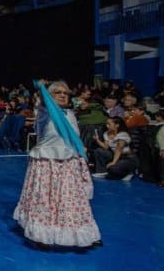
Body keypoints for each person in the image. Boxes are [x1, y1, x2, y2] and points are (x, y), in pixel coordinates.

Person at [14, 81, 101, 248]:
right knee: (46, 200)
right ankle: (43, 235)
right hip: (47, 163)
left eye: (65, 93)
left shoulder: (69, 114)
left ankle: (83, 234)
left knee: (72, 200)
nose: (63, 95)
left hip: (68, 162)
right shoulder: (45, 111)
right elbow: (44, 101)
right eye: (58, 92)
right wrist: (42, 88)